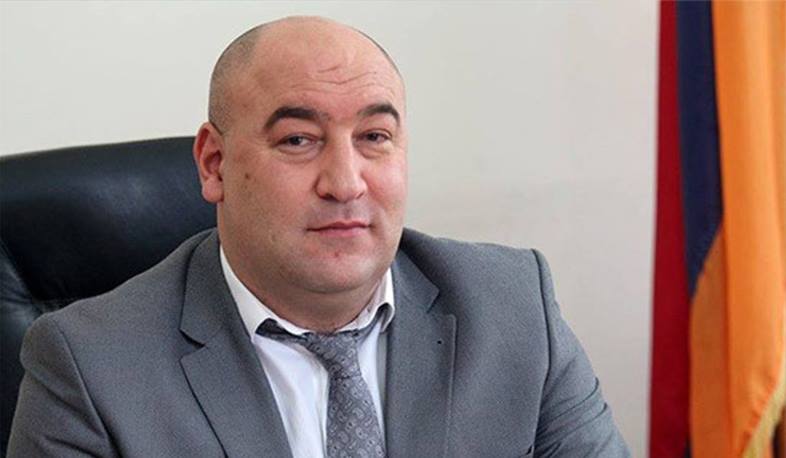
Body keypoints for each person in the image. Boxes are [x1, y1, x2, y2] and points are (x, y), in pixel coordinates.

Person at [8, 16, 629, 457]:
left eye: (374, 137)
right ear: (214, 165)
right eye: (298, 140)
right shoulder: (90, 367)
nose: (345, 182)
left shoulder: (514, 307)